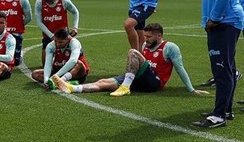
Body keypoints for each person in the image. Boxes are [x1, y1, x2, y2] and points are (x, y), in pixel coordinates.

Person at [54, 23, 207, 98]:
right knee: (103, 82)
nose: (145, 39)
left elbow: (180, 68)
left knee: (133, 52)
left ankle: (125, 87)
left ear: (159, 35)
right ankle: (72, 88)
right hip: (140, 78)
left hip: (154, 82)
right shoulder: (147, 45)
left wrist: (191, 89)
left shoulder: (170, 47)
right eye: (145, 36)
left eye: (149, 37)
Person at [193, 0, 244, 128]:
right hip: (228, 20)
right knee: (227, 67)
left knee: (222, 69)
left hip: (224, 22)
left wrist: (214, 18)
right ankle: (225, 109)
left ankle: (219, 115)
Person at [34, 0, 80, 64]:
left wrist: (75, 27)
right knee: (45, 63)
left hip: (63, 36)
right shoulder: (39, 3)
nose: (48, 3)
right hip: (48, 36)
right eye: (46, 1)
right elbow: (39, 22)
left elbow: (75, 12)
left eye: (50, 1)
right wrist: (51, 36)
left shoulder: (64, 0)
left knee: (67, 62)